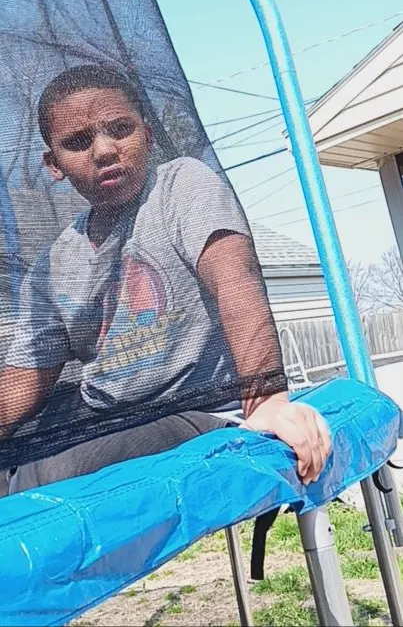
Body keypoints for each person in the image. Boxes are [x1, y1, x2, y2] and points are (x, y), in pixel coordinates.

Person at [0, 65, 331, 494]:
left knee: (54, 475)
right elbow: (25, 379)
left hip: (194, 409)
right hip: (104, 417)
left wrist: (268, 397)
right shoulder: (54, 263)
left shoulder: (181, 187)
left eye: (120, 129)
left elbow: (234, 283)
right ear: (54, 164)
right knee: (23, 460)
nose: (104, 150)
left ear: (148, 136)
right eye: (79, 142)